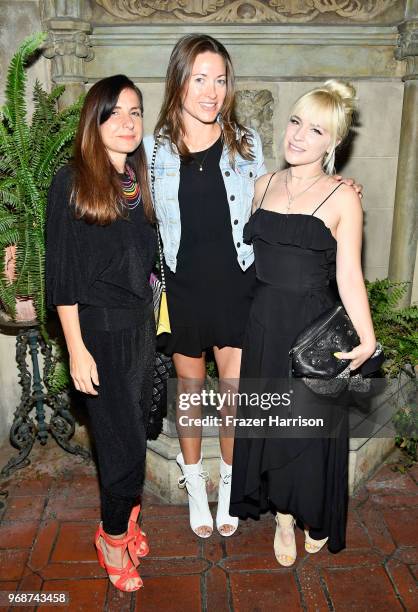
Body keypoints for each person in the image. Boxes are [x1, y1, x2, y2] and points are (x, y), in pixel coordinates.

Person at [144, 34, 363, 540]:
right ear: (179, 81)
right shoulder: (153, 149)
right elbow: (133, 205)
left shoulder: (246, 142)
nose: (211, 91)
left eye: (220, 80)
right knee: (191, 395)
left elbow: (280, 198)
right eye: (200, 79)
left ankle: (226, 482)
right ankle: (194, 480)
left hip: (239, 284)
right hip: (181, 287)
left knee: (234, 397)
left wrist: (340, 186)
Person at [230, 80, 376, 563]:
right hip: (263, 327)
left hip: (314, 331)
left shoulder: (343, 197)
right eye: (295, 122)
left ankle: (309, 507)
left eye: (315, 130)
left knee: (309, 429)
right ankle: (284, 519)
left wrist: (367, 336)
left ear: (332, 143)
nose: (298, 136)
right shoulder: (261, 186)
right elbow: (250, 266)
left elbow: (350, 274)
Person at [46, 75, 157, 591]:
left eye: (135, 112)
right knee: (121, 446)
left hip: (140, 330)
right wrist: (76, 349)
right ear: (95, 120)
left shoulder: (136, 180)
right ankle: (112, 539)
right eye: (114, 113)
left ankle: (127, 520)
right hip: (100, 334)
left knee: (135, 433)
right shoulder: (71, 181)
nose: (127, 122)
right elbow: (63, 277)